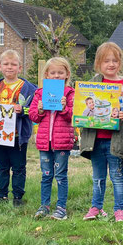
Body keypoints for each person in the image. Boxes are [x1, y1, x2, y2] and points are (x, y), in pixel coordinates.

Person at [80, 42, 123, 222]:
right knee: (98, 177)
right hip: (95, 141)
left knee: (117, 176)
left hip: (116, 140)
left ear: (120, 63)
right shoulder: (92, 84)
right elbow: (81, 109)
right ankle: (96, 207)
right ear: (98, 64)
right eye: (106, 61)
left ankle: (120, 210)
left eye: (115, 60)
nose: (111, 64)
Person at [0, 50, 37, 207]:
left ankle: (17, 196)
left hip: (18, 135)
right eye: (6, 64)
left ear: (20, 67)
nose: (10, 67)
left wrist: (23, 110)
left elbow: (33, 111)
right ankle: (1, 195)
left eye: (13, 64)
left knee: (19, 167)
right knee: (1, 167)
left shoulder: (29, 88)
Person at [29, 57, 75, 220]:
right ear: (47, 74)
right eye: (53, 73)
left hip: (62, 142)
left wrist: (65, 107)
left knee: (61, 175)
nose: (56, 76)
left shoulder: (70, 93)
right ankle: (44, 205)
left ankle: (61, 207)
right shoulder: (39, 93)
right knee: (46, 174)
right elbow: (33, 116)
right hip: (44, 142)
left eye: (60, 73)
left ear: (67, 74)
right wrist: (40, 110)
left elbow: (74, 117)